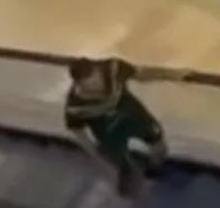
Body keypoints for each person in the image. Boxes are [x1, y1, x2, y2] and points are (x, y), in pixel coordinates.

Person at [65, 57, 169, 197]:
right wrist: (95, 153)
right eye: (90, 88)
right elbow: (78, 132)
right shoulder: (75, 108)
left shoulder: (113, 69)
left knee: (160, 148)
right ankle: (130, 173)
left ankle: (154, 167)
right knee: (126, 172)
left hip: (134, 116)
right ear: (79, 84)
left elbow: (141, 74)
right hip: (110, 133)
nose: (98, 90)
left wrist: (171, 74)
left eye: (97, 82)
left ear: (97, 70)